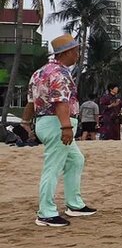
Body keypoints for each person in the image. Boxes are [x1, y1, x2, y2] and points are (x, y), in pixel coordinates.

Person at [20, 34, 97, 228]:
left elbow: (31, 101)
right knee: (53, 167)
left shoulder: (40, 72)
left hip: (46, 122)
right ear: (67, 52)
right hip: (57, 124)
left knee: (76, 160)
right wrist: (66, 127)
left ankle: (74, 204)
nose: (78, 55)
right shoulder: (59, 73)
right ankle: (46, 213)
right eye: (76, 51)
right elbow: (60, 102)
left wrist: (25, 122)